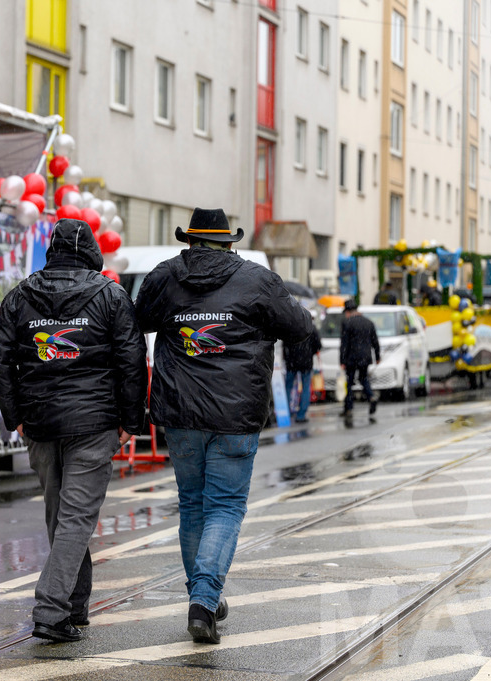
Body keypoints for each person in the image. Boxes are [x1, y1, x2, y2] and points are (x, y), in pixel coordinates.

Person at [134, 208, 313, 644]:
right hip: (236, 415)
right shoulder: (256, 280)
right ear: (229, 243)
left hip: (179, 413)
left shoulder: (164, 277)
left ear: (189, 241)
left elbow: (136, 321)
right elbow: (299, 328)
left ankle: (204, 596)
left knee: (193, 506)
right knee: (226, 507)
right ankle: (204, 600)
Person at [0, 219, 148, 644]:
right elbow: (132, 360)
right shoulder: (110, 295)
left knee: (62, 517)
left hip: (40, 424)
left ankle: (74, 604)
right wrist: (130, 421)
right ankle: (51, 610)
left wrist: (16, 416)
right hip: (94, 424)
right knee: (74, 519)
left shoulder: (20, 295)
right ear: (91, 250)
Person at [340, 298, 381, 416]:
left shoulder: (347, 323)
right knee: (363, 379)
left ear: (348, 311)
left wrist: (342, 360)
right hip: (365, 357)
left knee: (349, 382)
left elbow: (344, 344)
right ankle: (371, 397)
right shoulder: (368, 322)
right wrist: (377, 356)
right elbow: (375, 341)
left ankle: (348, 408)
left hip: (351, 357)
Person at [283, 324, 322, 423]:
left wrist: (288, 357)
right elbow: (318, 345)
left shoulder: (290, 326)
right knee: (305, 387)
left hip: (291, 361)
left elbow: (285, 344)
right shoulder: (310, 326)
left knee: (288, 386)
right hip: (306, 361)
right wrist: (309, 352)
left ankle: (286, 412)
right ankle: (301, 415)